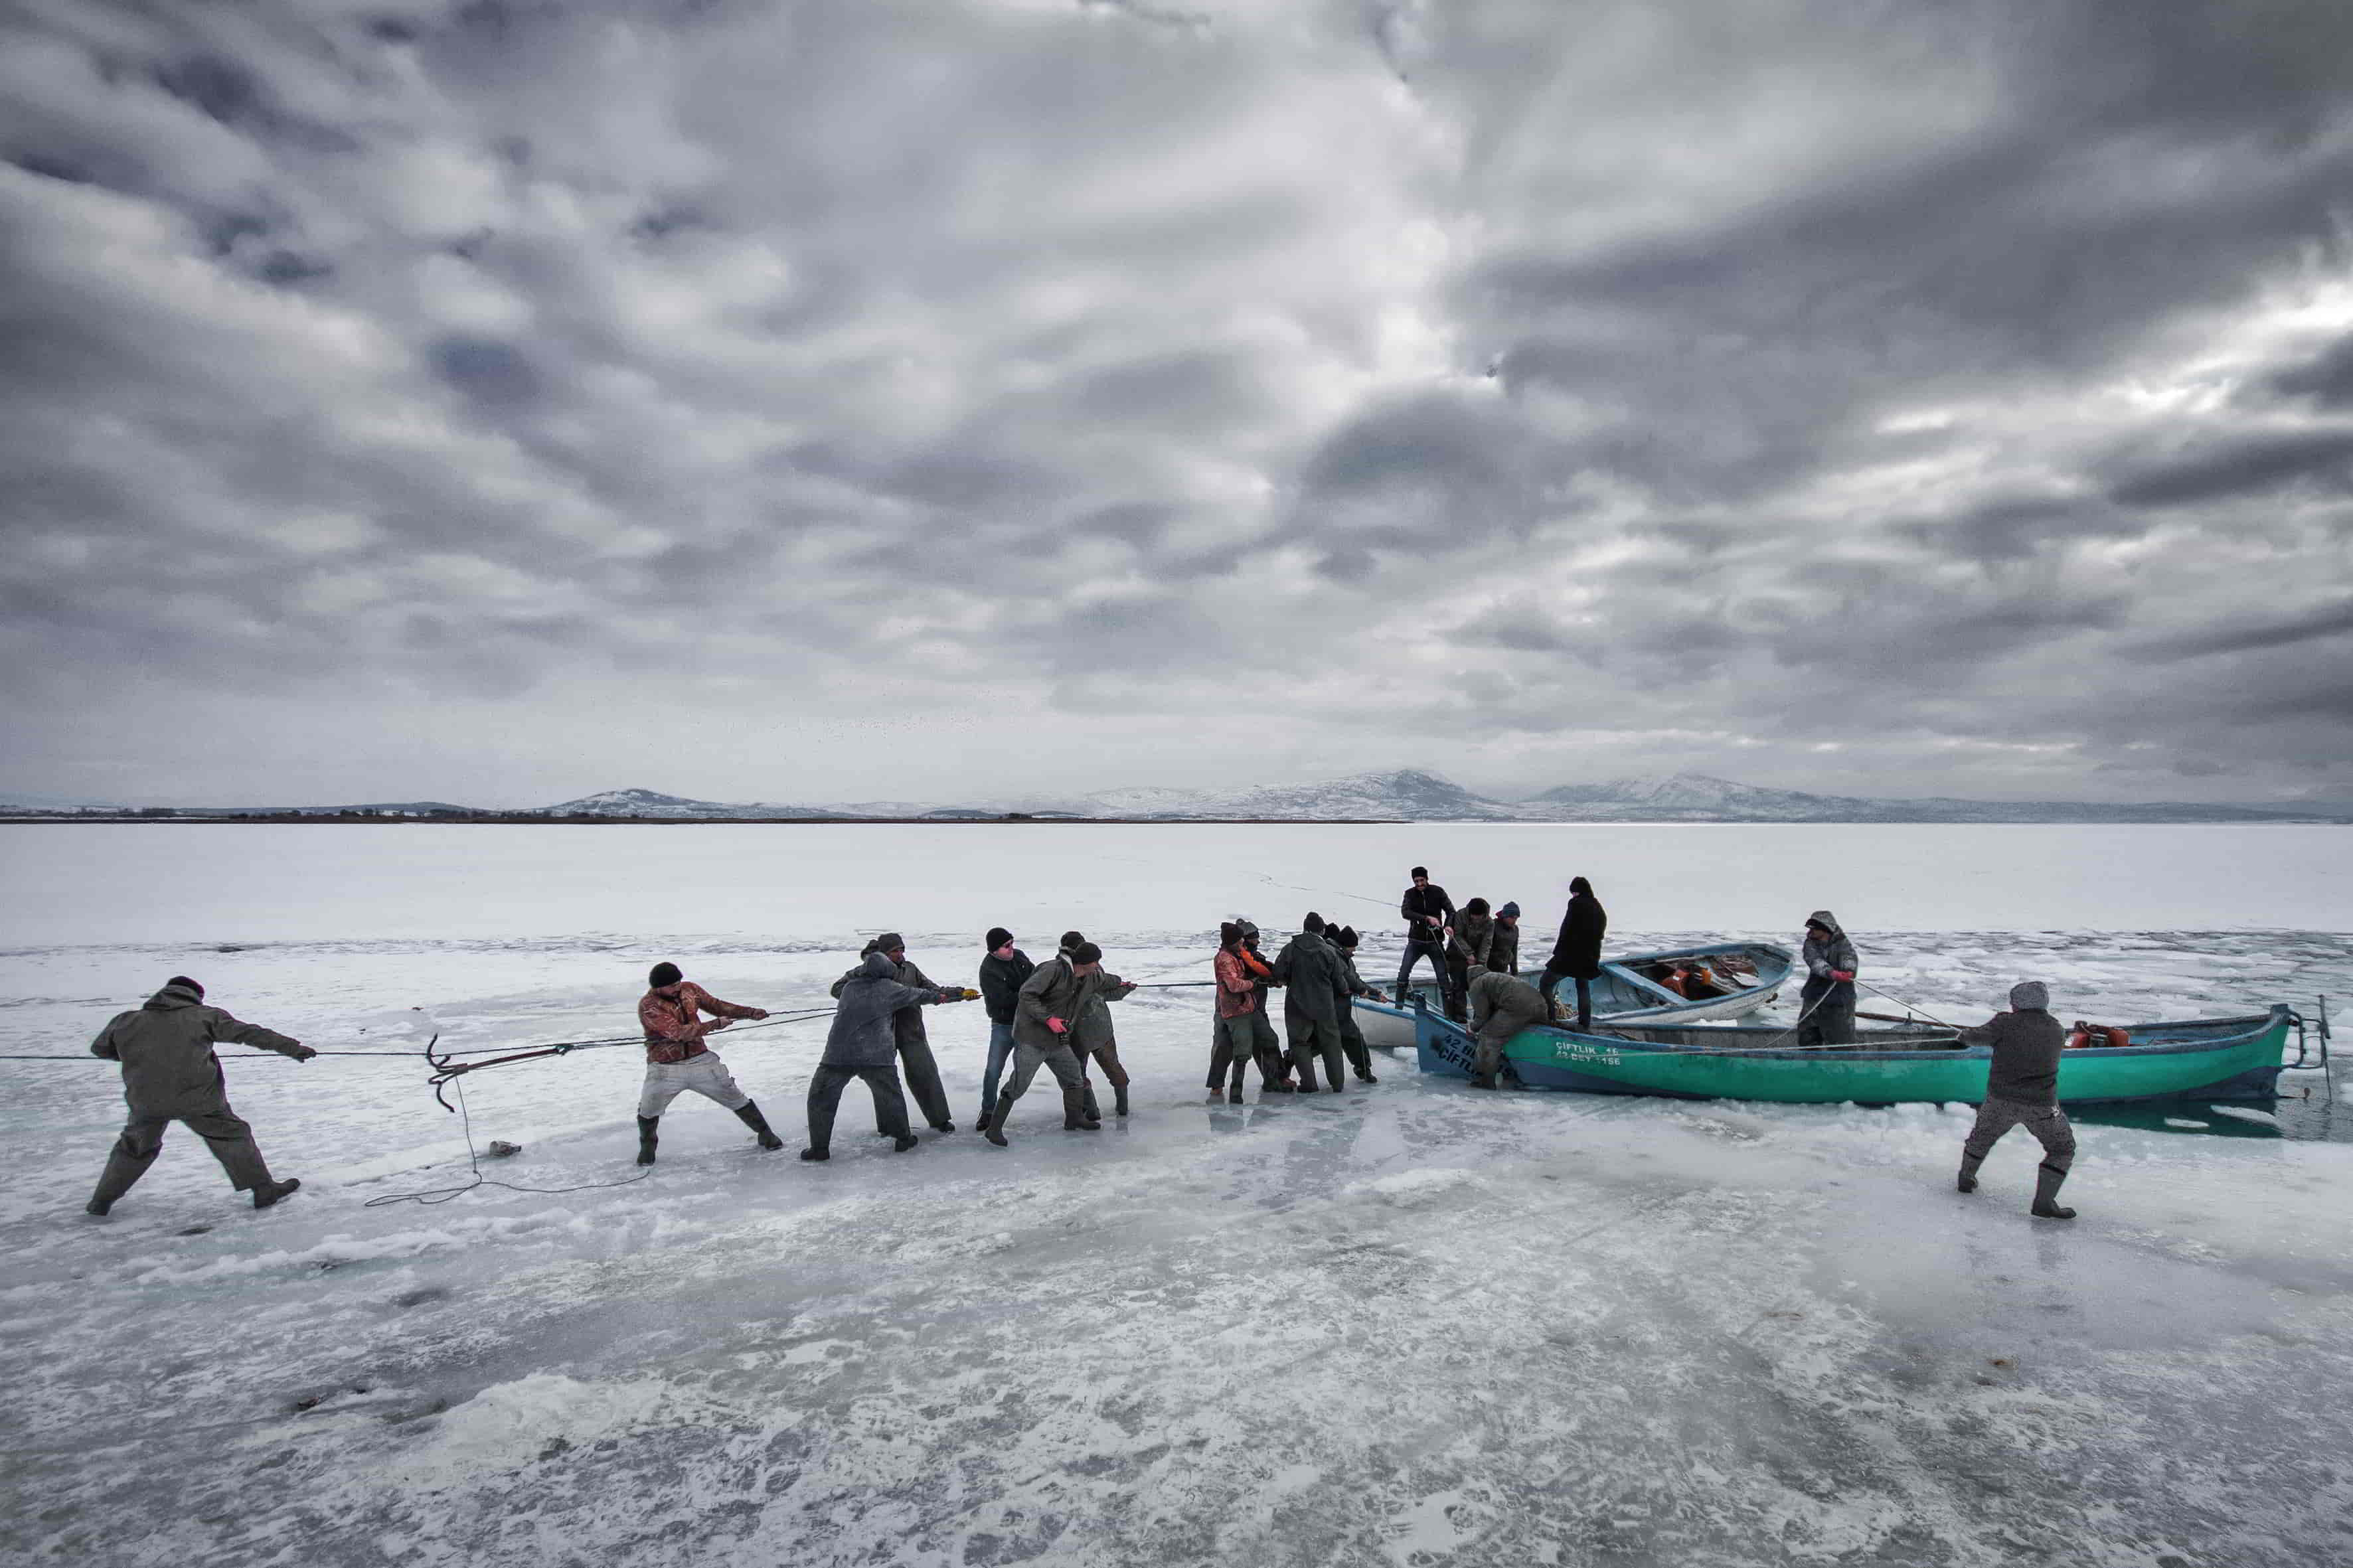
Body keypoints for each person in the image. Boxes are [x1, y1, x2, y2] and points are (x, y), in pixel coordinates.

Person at [84, 976, 311, 1215]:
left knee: (133, 1148)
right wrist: (294, 1049)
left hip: (146, 1102)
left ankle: (102, 1201)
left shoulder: (126, 1021)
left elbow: (100, 1049)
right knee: (233, 1136)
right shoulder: (204, 1016)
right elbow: (251, 1034)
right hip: (199, 1100)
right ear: (194, 996)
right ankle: (264, 1190)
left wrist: (137, 1054)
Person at [803, 951, 965, 1160]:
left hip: (838, 1055)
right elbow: (924, 995)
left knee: (821, 1098)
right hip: (876, 1057)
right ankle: (904, 1139)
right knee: (891, 1097)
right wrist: (951, 996)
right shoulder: (890, 989)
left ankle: (819, 1148)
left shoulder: (849, 988)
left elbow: (841, 987)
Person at [635, 961, 780, 1163]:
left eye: (679, 982)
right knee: (649, 1109)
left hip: (700, 1060)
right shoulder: (649, 1005)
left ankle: (765, 1133)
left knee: (734, 1096)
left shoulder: (690, 990)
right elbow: (677, 1033)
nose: (677, 987)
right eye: (672, 985)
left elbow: (717, 1005)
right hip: (665, 1068)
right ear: (658, 987)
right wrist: (715, 1024)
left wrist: (750, 1012)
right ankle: (648, 1147)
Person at [1956, 980, 2078, 1219]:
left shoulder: (2005, 1023)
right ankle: (2044, 1203)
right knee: (2062, 1149)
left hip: (2000, 1101)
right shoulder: (2056, 1029)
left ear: (2018, 1004)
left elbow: (1974, 1038)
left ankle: (1966, 1179)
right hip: (2042, 1106)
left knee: (1981, 1139)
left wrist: (1963, 1035)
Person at [830, 934, 963, 1133]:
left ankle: (939, 1119)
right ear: (882, 954)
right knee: (885, 1083)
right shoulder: (867, 972)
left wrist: (957, 994)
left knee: (925, 1073)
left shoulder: (910, 969)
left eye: (902, 950)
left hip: (911, 1030)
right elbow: (837, 989)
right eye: (895, 951)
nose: (900, 954)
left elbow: (933, 990)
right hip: (880, 1036)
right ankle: (889, 1127)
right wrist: (867, 994)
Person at [988, 939, 1108, 1144]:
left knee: (1074, 1078)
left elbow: (1108, 982)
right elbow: (1027, 995)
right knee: (1019, 1085)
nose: (1098, 966)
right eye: (1096, 962)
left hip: (1057, 1042)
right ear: (1086, 963)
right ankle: (994, 1130)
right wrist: (1048, 1019)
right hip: (1031, 1039)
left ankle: (1074, 1118)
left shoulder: (1086, 978)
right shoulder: (1053, 970)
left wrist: (1126, 985)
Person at [1273, 912, 1352, 1093]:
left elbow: (1278, 973)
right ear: (1322, 930)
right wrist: (1346, 990)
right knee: (1331, 1042)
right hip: (1325, 1005)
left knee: (1300, 1043)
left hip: (1297, 1004)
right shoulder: (1329, 951)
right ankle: (1337, 1084)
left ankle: (1309, 1084)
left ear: (1304, 928)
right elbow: (1339, 979)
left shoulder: (1290, 949)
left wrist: (1286, 979)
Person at [1068, 935, 1139, 1117]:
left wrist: (1124, 987)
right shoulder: (1094, 971)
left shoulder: (1060, 972)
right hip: (1100, 1031)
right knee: (1113, 1068)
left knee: (1078, 1074)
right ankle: (1122, 1108)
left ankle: (1092, 1112)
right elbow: (1109, 993)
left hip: (1075, 1035)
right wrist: (1126, 988)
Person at [977, 927, 1034, 1133]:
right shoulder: (988, 969)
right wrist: (1028, 997)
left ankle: (1076, 1102)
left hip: (1028, 1023)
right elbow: (1002, 999)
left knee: (1034, 1063)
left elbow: (1036, 979)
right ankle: (988, 1111)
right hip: (1003, 1024)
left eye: (1012, 943)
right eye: (1006, 946)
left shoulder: (1019, 957)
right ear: (993, 950)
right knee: (993, 1070)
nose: (1012, 948)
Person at [1210, 922, 1272, 1102]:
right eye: (1240, 940)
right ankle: (1233, 1091)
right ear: (1232, 941)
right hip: (1234, 1010)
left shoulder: (1236, 954)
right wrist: (1253, 983)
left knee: (1269, 1039)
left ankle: (1274, 1078)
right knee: (1233, 1049)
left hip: (1247, 1007)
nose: (1243, 942)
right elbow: (1234, 984)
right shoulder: (1225, 958)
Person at [1465, 968, 1549, 1091]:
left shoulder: (1477, 983)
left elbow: (1482, 1017)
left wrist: (1472, 1027)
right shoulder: (1497, 977)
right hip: (1540, 1004)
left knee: (1490, 1037)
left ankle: (1487, 1081)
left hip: (1517, 1007)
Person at [1540, 876, 1607, 1030]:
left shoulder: (1576, 903)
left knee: (1545, 983)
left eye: (1574, 893)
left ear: (1578, 892)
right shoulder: (1597, 906)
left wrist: (1558, 952)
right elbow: (1600, 931)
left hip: (1570, 956)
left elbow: (1567, 929)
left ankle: (1550, 1019)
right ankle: (1584, 1023)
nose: (1573, 896)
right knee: (1583, 986)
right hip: (1590, 957)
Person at [1395, 866, 1457, 1009]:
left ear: (1427, 879)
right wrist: (1426, 918)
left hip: (1435, 942)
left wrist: (1448, 925)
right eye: (1416, 881)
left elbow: (1451, 911)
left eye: (1421, 880)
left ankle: (1449, 1016)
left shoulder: (1438, 892)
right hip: (1415, 942)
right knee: (1403, 973)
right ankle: (1398, 1009)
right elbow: (1405, 913)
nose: (1419, 884)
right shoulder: (1409, 894)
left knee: (1443, 978)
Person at [1796, 911, 1858, 1047]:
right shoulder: (1810, 943)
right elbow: (1814, 961)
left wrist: (1849, 971)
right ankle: (1810, 1063)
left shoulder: (1843, 943)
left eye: (1815, 928)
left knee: (1842, 1039)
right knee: (1808, 1034)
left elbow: (1849, 957)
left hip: (1840, 999)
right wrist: (1831, 973)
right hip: (1814, 996)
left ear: (1826, 929)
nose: (1811, 931)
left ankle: (1844, 1065)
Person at [1329, 925, 1382, 1083]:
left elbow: (1355, 979)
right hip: (1332, 1008)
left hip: (1341, 1009)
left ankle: (1363, 1069)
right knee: (1350, 1038)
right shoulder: (1335, 956)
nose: (1354, 951)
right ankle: (1363, 1069)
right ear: (1344, 945)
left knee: (1353, 1038)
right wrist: (1368, 993)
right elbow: (1349, 980)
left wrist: (1374, 993)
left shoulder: (1346, 957)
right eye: (1353, 948)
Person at [1451, 896, 1496, 992]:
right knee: (1459, 985)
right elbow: (1457, 936)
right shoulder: (1460, 915)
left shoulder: (1490, 923)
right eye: (1473, 917)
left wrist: (1481, 962)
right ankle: (1460, 1006)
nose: (1476, 920)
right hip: (1457, 954)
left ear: (1484, 915)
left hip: (1476, 956)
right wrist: (1468, 954)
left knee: (1481, 985)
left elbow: (1486, 944)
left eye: (1479, 918)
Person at [1490, 903, 1522, 976]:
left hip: (1503, 969)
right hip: (1489, 968)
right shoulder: (1492, 925)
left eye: (1516, 918)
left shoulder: (1515, 930)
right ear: (1505, 916)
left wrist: (1515, 973)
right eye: (1512, 918)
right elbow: (1484, 948)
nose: (1514, 921)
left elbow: (1514, 951)